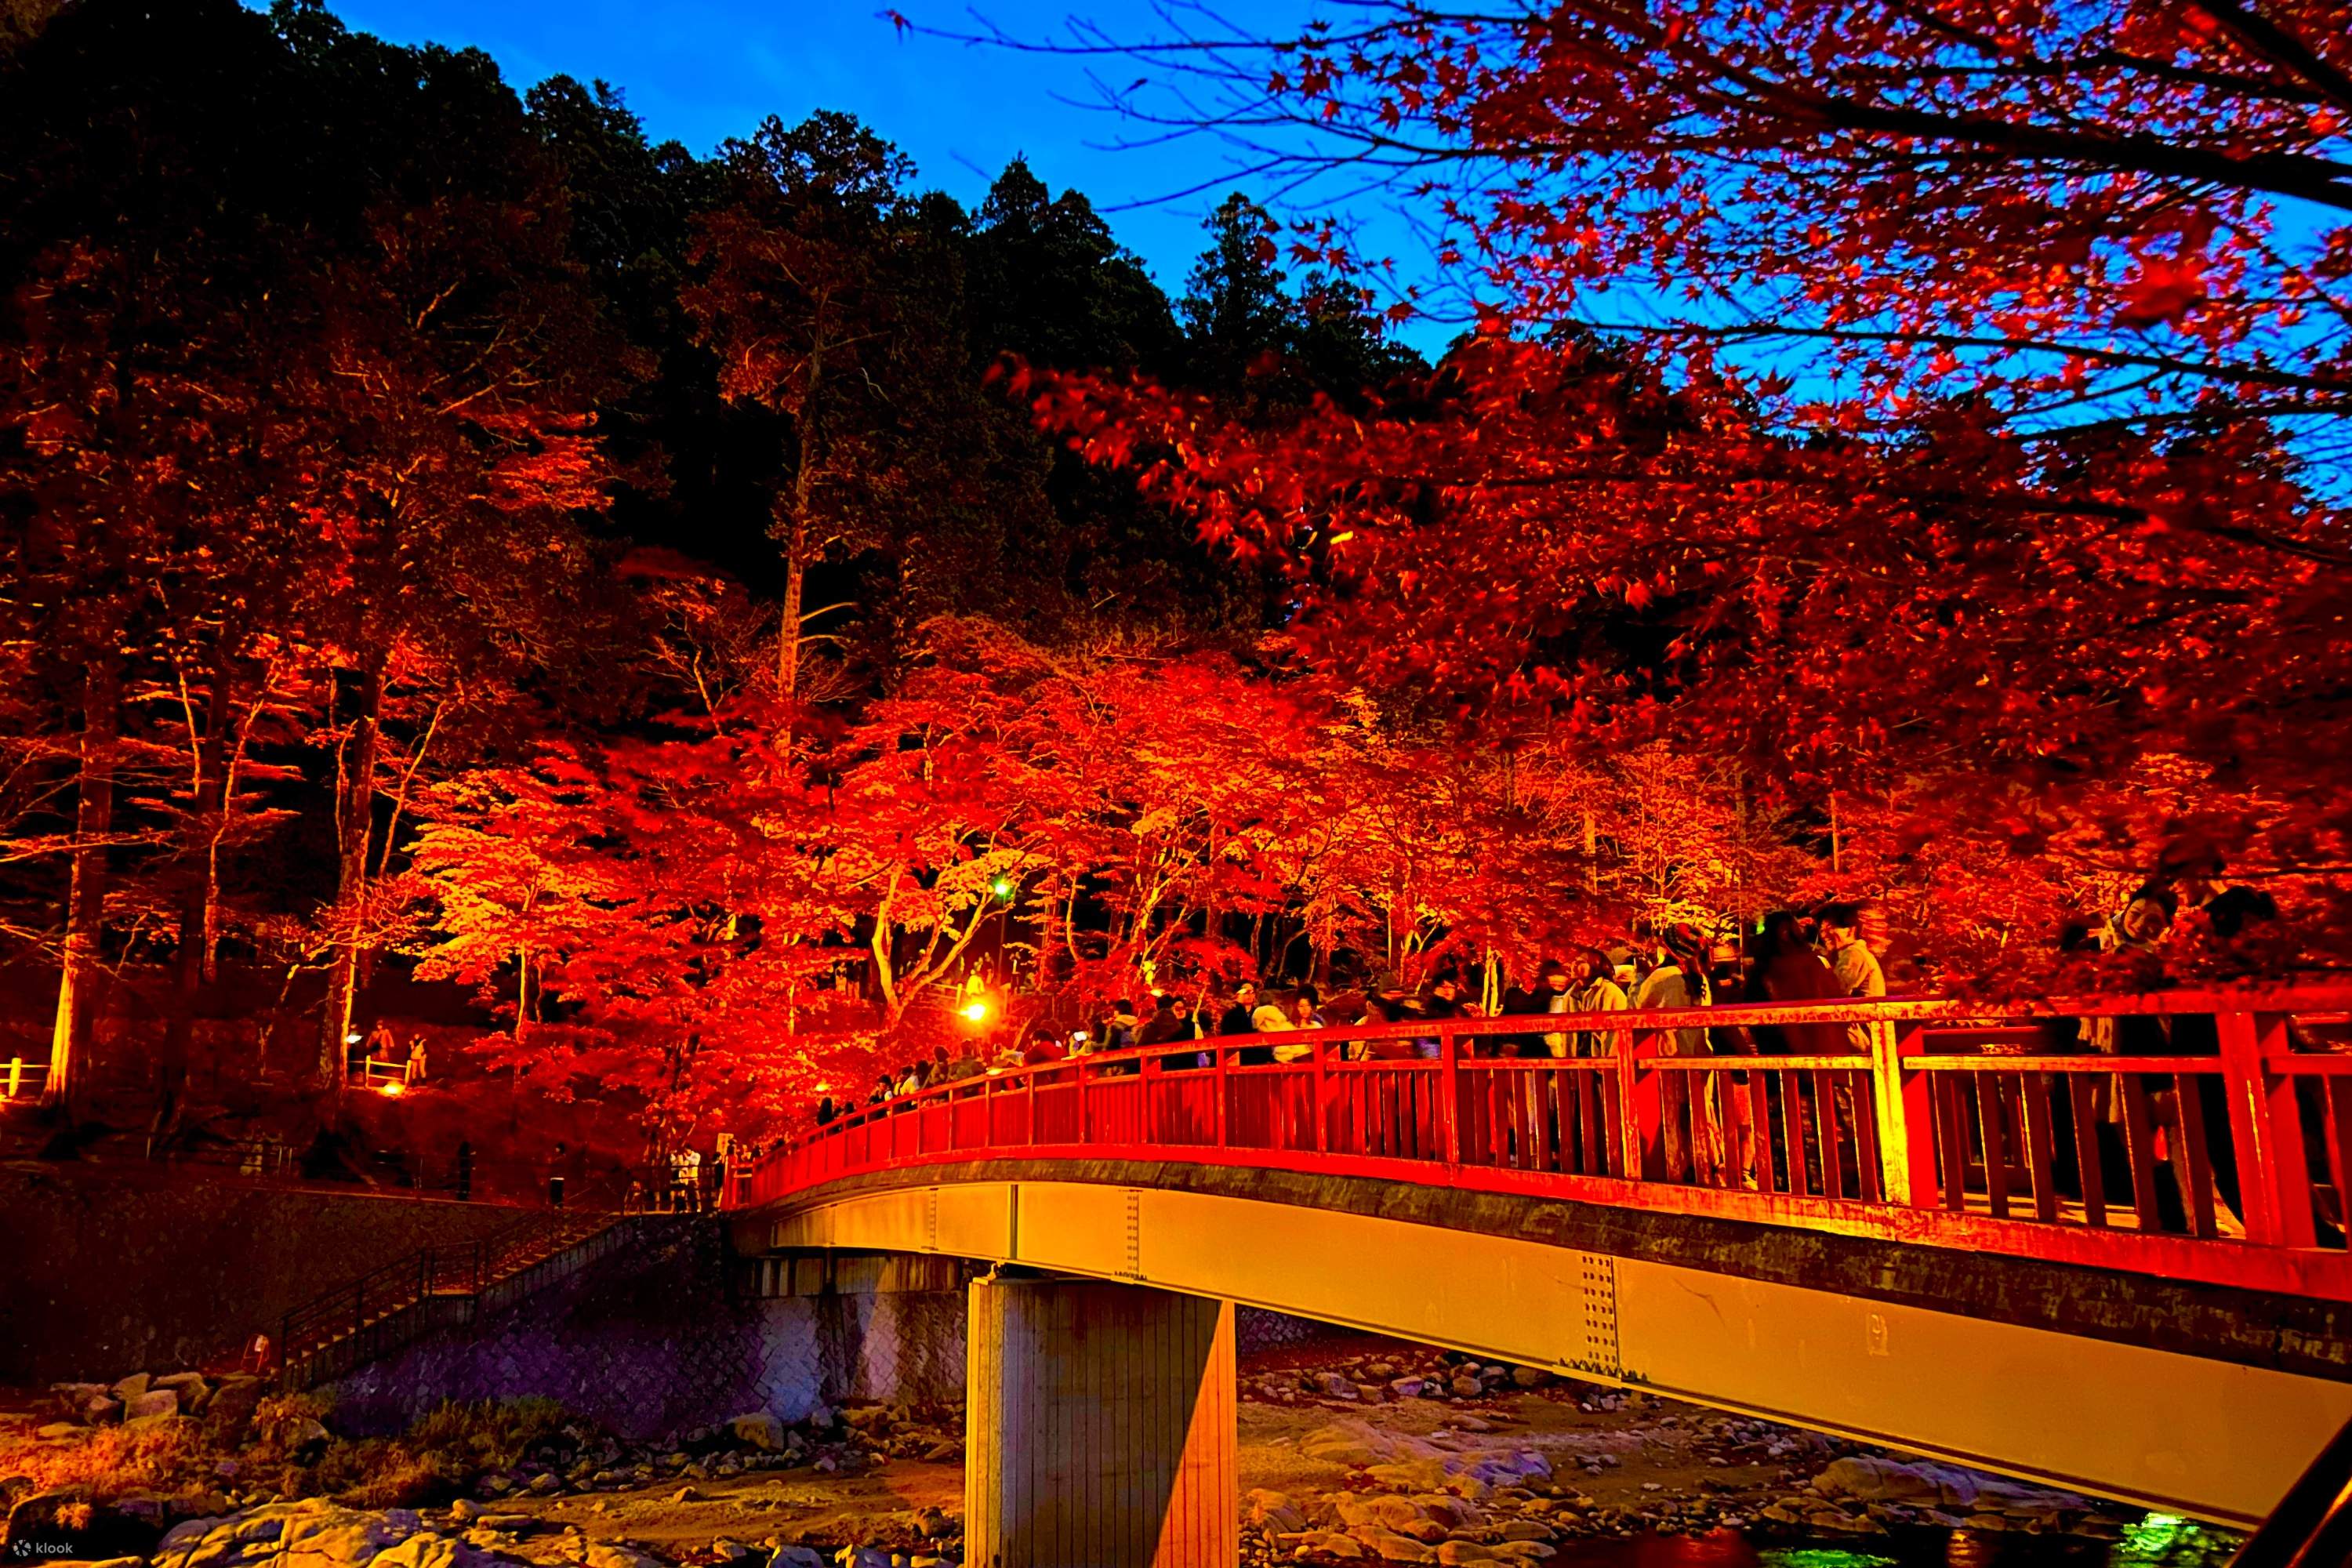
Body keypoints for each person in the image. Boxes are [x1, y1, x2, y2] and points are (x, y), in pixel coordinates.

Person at [1570, 950, 1629, 1057]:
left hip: (1605, 1059)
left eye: (1581, 962)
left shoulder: (1609, 991)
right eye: (1574, 961)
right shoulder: (1574, 993)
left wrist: (1608, 1066)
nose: (1575, 964)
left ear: (1595, 965)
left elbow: (1613, 1036)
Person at [547, 1142, 568, 1210]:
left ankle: (558, 1206)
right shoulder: (559, 1157)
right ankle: (557, 1205)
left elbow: (556, 1167)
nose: (556, 1149)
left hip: (558, 1177)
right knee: (555, 1192)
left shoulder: (561, 1158)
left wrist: (551, 1163)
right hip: (556, 1177)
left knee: (557, 1192)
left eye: (557, 1148)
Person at [453, 1138, 474, 1202]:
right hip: (465, 1169)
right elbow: (466, 1160)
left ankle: (462, 1196)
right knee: (465, 1182)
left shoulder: (462, 1153)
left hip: (463, 1169)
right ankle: (464, 1196)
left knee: (463, 1182)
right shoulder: (465, 1154)